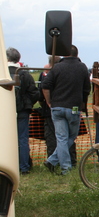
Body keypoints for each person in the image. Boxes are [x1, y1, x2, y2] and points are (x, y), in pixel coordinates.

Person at [41, 45, 91, 175]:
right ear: (76, 54)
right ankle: (63, 166)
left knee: (61, 138)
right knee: (70, 137)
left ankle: (57, 163)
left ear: (64, 54)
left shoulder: (57, 67)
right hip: (74, 107)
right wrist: (83, 103)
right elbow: (87, 89)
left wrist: (49, 101)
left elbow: (45, 85)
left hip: (57, 107)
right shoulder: (82, 67)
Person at [7, 47, 39, 174]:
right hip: (23, 111)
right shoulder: (25, 74)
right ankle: (24, 167)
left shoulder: (3, 73)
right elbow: (35, 93)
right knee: (22, 139)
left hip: (5, 111)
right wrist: (28, 104)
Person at [37, 56, 61, 158]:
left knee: (51, 136)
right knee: (65, 136)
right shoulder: (63, 74)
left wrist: (46, 103)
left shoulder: (45, 76)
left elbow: (40, 91)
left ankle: (52, 159)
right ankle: (70, 160)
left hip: (49, 109)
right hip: (63, 106)